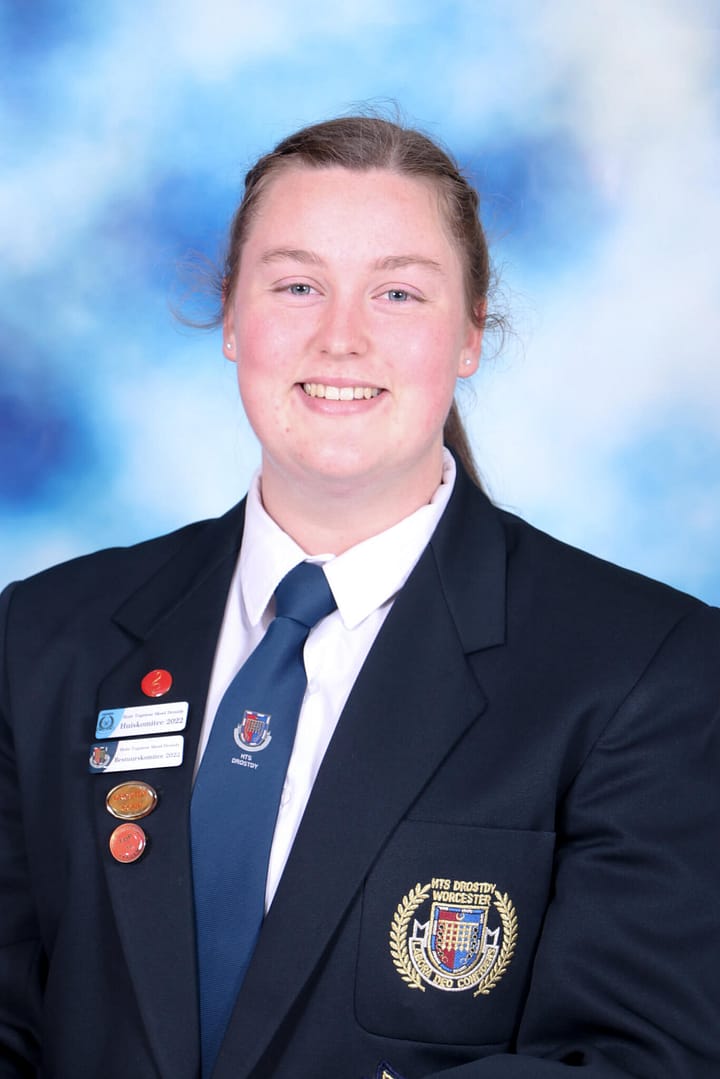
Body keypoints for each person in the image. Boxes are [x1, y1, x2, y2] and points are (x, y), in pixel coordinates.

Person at [1, 115, 719, 1079]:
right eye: (297, 286)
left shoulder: (645, 669)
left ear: (470, 334)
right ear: (232, 318)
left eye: (398, 293)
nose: (340, 337)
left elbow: (634, 1060)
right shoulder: (44, 637)